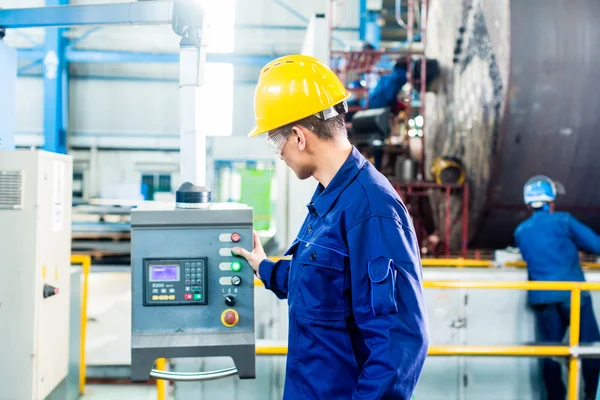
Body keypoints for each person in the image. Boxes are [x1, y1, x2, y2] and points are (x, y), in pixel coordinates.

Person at [232, 54, 428, 399]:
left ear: (298, 136)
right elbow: (321, 282)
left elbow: (398, 343)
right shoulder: (330, 200)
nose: (278, 153)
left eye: (274, 141)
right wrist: (263, 268)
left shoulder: (371, 208)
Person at [514, 175, 600, 400]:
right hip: (574, 297)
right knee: (591, 348)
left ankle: (556, 397)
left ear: (528, 204)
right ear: (551, 202)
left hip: (543, 299)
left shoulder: (521, 231)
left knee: (549, 352)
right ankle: (592, 393)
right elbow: (596, 244)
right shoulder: (564, 221)